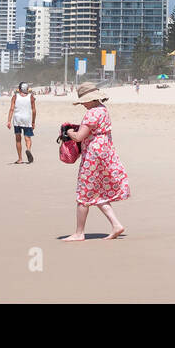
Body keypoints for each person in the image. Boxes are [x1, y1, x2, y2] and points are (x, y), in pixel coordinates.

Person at [62, 82, 130, 240]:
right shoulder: (103, 110)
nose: (83, 105)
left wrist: (69, 131)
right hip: (105, 151)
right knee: (97, 191)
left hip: (93, 153)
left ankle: (79, 233)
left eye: (83, 101)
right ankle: (116, 225)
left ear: (91, 100)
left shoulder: (92, 113)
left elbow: (79, 137)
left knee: (83, 193)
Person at [7, 81, 37, 164]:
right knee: (27, 138)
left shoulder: (15, 96)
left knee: (18, 139)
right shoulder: (31, 97)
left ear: (19, 89)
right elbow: (34, 110)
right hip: (27, 119)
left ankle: (20, 159)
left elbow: (11, 109)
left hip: (17, 119)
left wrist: (9, 121)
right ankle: (28, 149)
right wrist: (33, 121)